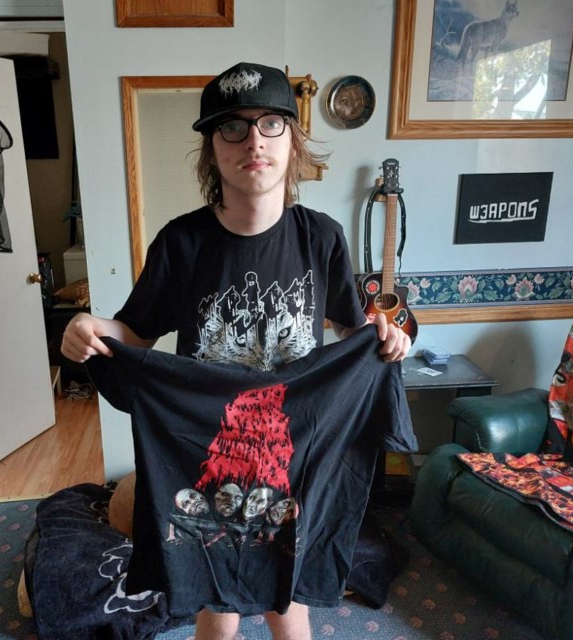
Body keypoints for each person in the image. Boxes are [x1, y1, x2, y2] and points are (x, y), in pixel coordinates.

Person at [62, 61, 411, 640]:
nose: (253, 141)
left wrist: (385, 335)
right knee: (217, 602)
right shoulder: (182, 241)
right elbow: (134, 333)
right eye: (233, 126)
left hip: (295, 450)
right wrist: (91, 326)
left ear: (292, 140)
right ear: (212, 147)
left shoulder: (322, 235)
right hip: (211, 448)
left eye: (270, 123)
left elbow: (353, 330)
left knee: (287, 600)